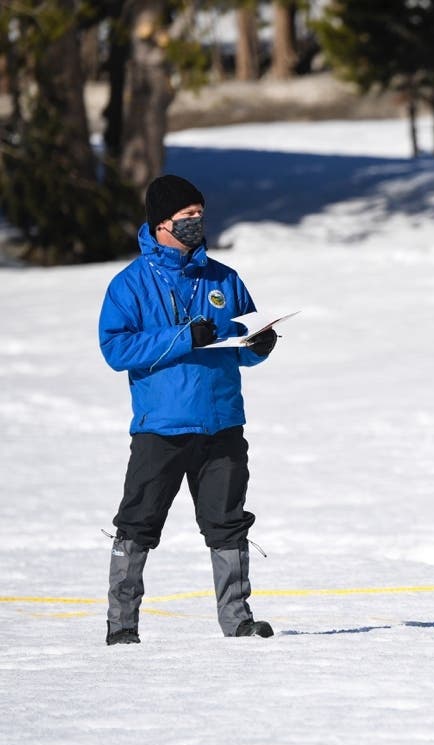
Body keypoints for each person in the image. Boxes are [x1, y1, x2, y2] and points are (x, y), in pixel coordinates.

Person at [99, 174, 278, 645]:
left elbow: (241, 342)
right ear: (161, 223)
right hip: (162, 427)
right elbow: (115, 349)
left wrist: (260, 344)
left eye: (201, 214)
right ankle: (122, 626)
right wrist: (180, 338)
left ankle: (238, 620)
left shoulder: (225, 278)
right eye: (187, 216)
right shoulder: (129, 285)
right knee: (138, 522)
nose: (198, 222)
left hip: (222, 422)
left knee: (228, 521)